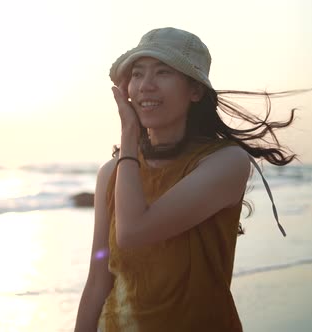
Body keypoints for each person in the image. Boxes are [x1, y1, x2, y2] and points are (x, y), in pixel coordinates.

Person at [74, 27, 299, 331]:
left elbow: (133, 232)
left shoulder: (225, 162)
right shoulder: (112, 173)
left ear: (195, 90)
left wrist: (129, 134)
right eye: (137, 74)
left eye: (163, 72)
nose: (145, 86)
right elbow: (99, 280)